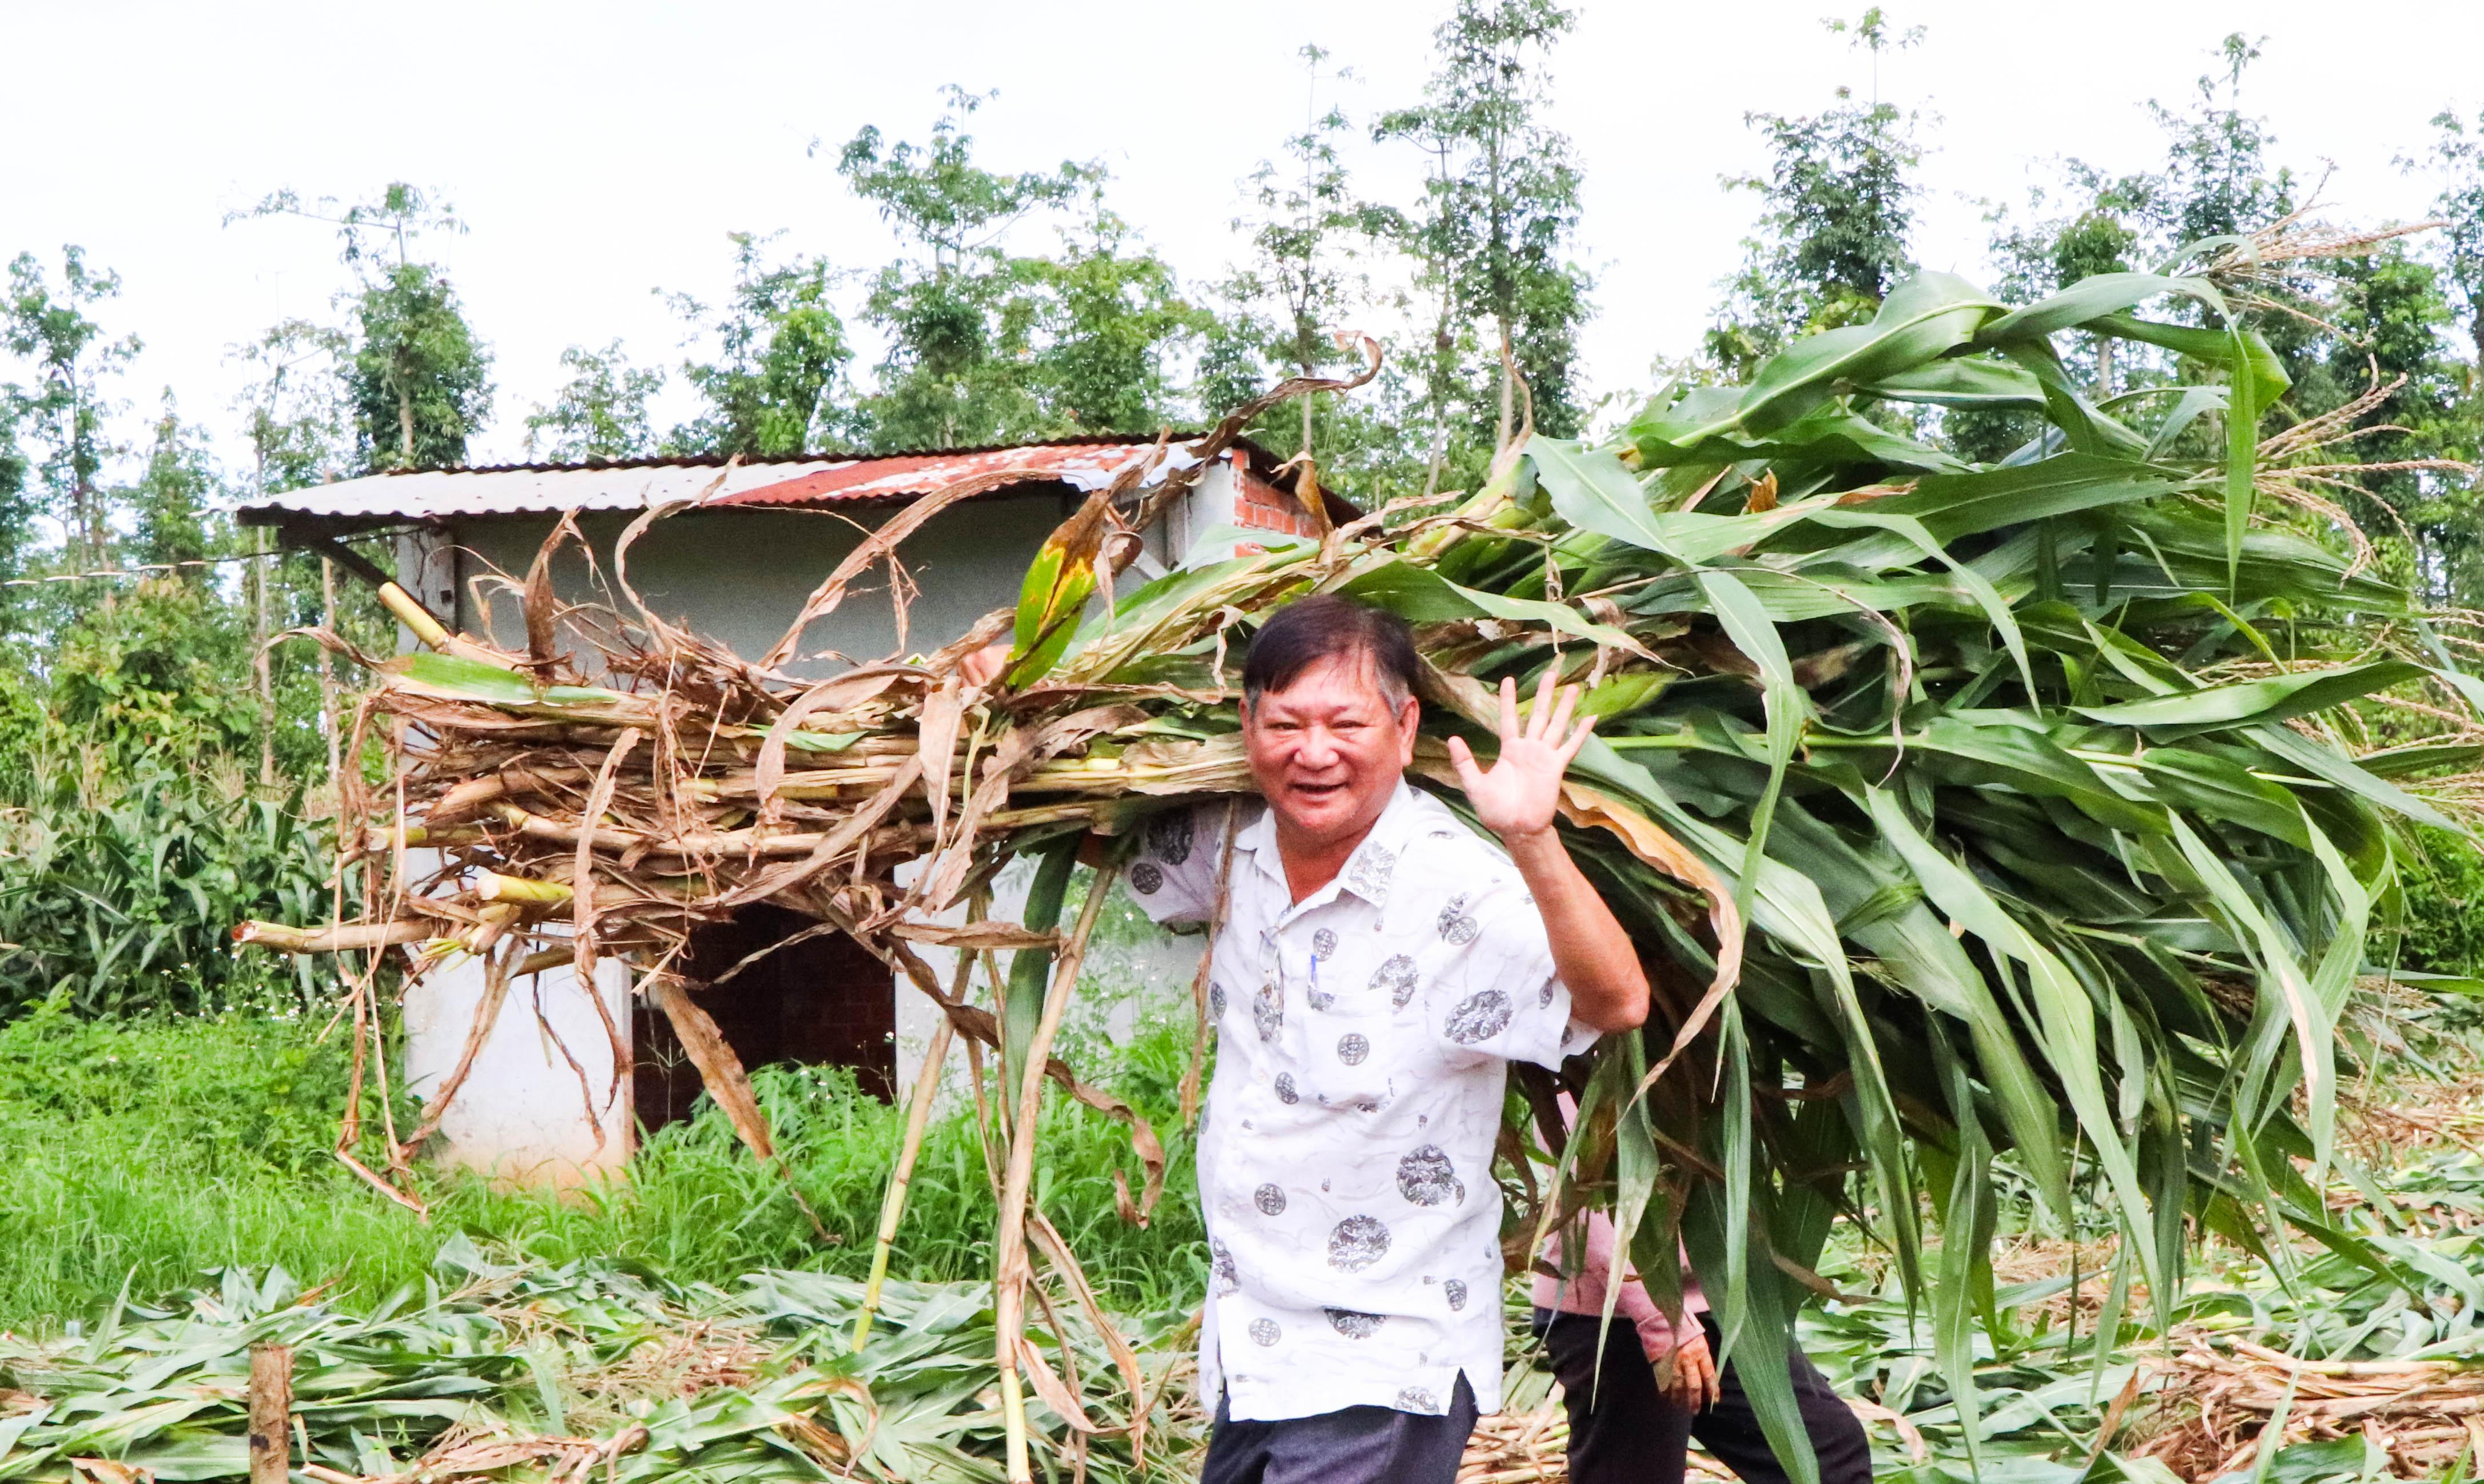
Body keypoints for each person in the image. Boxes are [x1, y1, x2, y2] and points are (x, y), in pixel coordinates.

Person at [966, 595, 1650, 1484]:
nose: (1314, 752)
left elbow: (1617, 1000)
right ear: (1247, 726)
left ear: (1405, 729)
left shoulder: (1457, 890)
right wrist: (1008, 716)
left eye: (1346, 723)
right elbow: (1086, 826)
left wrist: (1533, 838)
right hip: (1254, 1347)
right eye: (1286, 723)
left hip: (1386, 1359)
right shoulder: (1228, 850)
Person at [1532, 1131, 1873, 1484]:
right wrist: (1663, 1320)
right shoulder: (1579, 1078)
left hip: (1714, 1302)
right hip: (1618, 1317)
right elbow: (1590, 1197)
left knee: (1828, 1451)